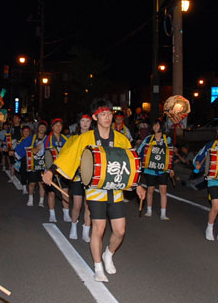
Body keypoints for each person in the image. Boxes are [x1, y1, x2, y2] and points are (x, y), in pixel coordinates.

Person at [45, 99, 146, 282]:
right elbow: (68, 156)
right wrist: (51, 171)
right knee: (99, 228)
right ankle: (98, 267)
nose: (107, 117)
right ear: (95, 117)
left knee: (120, 231)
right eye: (103, 114)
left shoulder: (121, 139)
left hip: (115, 190)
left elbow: (130, 164)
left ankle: (108, 254)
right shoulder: (85, 138)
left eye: (109, 114)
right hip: (95, 190)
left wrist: (137, 184)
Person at [63, 113, 93, 241]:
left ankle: (86, 230)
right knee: (77, 205)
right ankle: (73, 226)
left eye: (88, 121)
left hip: (91, 176)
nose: (85, 123)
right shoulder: (72, 139)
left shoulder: (94, 138)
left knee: (89, 206)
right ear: (79, 123)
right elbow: (65, 154)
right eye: (83, 121)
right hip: (77, 176)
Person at [137, 119, 173, 220]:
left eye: (157, 125)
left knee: (163, 190)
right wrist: (139, 162)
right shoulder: (149, 138)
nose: (155, 127)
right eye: (154, 125)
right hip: (150, 169)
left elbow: (171, 154)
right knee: (150, 189)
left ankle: (163, 213)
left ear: (161, 127)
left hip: (163, 169)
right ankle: (149, 210)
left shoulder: (167, 139)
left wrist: (171, 168)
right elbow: (140, 150)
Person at [15, 121, 48, 207]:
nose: (42, 128)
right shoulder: (32, 138)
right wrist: (16, 153)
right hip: (33, 163)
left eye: (44, 127)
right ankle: (30, 198)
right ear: (38, 128)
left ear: (46, 129)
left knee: (42, 183)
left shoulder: (48, 139)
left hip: (43, 165)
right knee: (32, 183)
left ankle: (41, 201)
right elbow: (23, 146)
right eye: (40, 126)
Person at [43, 118, 70, 223]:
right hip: (50, 170)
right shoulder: (47, 139)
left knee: (65, 191)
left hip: (63, 170)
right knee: (51, 194)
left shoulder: (65, 139)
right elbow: (44, 153)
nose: (58, 127)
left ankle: (66, 213)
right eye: (56, 125)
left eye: (60, 125)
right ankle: (52, 214)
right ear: (52, 127)